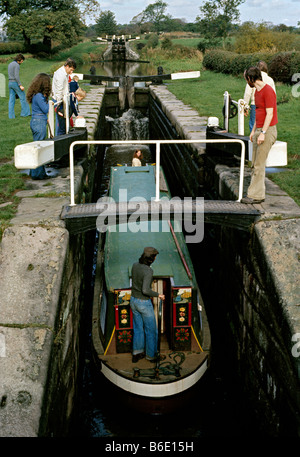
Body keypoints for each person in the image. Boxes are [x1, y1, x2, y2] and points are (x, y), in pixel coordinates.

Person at [241, 66, 278, 204]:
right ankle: (256, 193)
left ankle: (255, 196)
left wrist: (262, 133)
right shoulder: (256, 91)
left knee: (259, 164)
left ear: (251, 78)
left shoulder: (268, 91)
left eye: (246, 79)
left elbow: (270, 114)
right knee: (254, 163)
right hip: (259, 129)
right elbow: (259, 113)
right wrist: (253, 131)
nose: (246, 81)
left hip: (267, 131)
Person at [130, 247, 165, 363]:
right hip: (143, 303)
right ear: (152, 259)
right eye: (155, 257)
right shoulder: (148, 271)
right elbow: (145, 290)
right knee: (151, 330)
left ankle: (137, 353)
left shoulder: (135, 265)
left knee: (138, 328)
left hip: (133, 301)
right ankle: (151, 356)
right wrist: (158, 295)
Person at [26, 73, 52, 180]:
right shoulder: (39, 96)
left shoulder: (36, 95)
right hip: (39, 122)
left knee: (37, 147)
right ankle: (38, 174)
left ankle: (35, 172)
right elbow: (46, 109)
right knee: (40, 148)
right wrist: (50, 102)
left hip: (36, 120)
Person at [243, 61, 276, 133]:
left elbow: (247, 93)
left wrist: (245, 106)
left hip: (254, 104)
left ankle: (253, 138)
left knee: (253, 123)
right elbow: (274, 94)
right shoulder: (270, 79)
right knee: (266, 122)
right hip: (268, 105)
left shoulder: (252, 78)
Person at [51, 57, 77, 135]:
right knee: (60, 123)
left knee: (62, 123)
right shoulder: (60, 74)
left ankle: (61, 137)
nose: (71, 72)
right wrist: (59, 105)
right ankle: (59, 139)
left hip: (62, 99)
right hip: (59, 101)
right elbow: (59, 90)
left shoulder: (64, 73)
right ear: (67, 66)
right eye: (71, 70)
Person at [8, 54, 31, 119]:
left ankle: (11, 116)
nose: (22, 62)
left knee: (11, 100)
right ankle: (25, 114)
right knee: (23, 97)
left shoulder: (10, 64)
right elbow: (16, 76)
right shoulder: (17, 65)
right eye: (22, 61)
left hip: (10, 83)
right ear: (20, 60)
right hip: (15, 83)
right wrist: (20, 85)